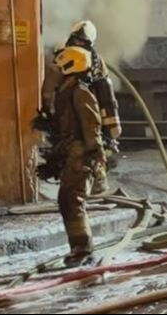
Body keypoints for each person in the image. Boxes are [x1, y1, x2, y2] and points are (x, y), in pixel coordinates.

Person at [53, 46, 106, 266]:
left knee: (73, 200)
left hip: (80, 154)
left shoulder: (80, 91)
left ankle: (84, 250)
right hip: (70, 153)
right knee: (65, 200)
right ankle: (78, 247)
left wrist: (96, 152)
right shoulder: (67, 89)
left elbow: (91, 124)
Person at [66, 21, 122, 194]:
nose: (79, 45)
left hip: (90, 110)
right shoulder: (64, 56)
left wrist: (108, 123)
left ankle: (97, 180)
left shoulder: (97, 62)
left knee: (94, 145)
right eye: (76, 40)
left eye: (83, 42)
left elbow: (104, 91)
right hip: (71, 108)